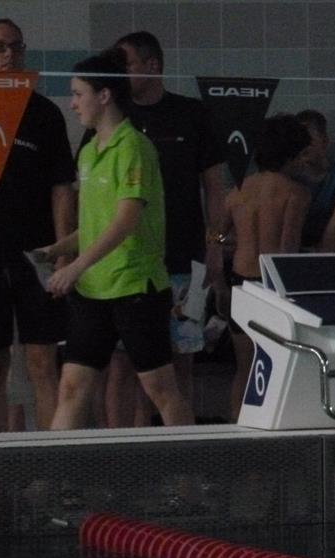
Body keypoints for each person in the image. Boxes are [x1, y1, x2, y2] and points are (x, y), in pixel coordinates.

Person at [43, 50, 194, 430]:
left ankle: (192, 463)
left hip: (133, 287)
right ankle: (57, 465)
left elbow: (126, 221)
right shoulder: (89, 152)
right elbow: (96, 225)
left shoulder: (134, 148)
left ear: (104, 95)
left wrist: (74, 267)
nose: (72, 104)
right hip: (93, 290)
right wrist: (57, 249)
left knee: (160, 389)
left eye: (78, 94)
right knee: (72, 387)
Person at [99, 31, 227, 427]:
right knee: (122, 363)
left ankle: (179, 455)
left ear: (152, 65)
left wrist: (215, 244)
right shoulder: (112, 117)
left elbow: (215, 186)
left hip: (184, 259)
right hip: (127, 264)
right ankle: (121, 451)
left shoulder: (192, 114)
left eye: (126, 65)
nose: (119, 75)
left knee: (179, 361)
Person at [0, 18, 75, 431]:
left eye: (16, 47)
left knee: (42, 360)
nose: (9, 55)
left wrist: (64, 253)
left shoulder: (44, 114)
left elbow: (62, 189)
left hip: (36, 252)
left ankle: (51, 460)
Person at [220, 114, 312, 421]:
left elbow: (216, 237)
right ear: (291, 154)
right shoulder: (296, 193)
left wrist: (229, 248)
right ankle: (271, 428)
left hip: (240, 281)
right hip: (273, 285)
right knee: (276, 364)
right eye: (302, 155)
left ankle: (238, 429)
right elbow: (287, 250)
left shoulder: (238, 190)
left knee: (244, 367)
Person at [295, 109, 335, 249]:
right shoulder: (289, 175)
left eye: (309, 141)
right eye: (297, 141)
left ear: (325, 141)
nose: (303, 146)